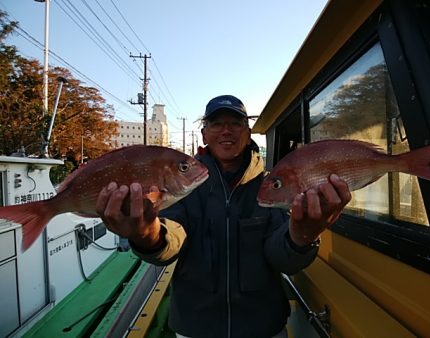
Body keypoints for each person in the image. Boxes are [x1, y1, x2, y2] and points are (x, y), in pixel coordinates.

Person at [96, 95, 352, 338]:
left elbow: (282, 258)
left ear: (248, 131)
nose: (226, 131)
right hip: (194, 327)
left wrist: (303, 234)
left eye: (236, 123)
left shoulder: (273, 187)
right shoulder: (181, 186)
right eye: (216, 124)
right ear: (204, 133)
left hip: (264, 327)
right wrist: (146, 233)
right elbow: (171, 240)